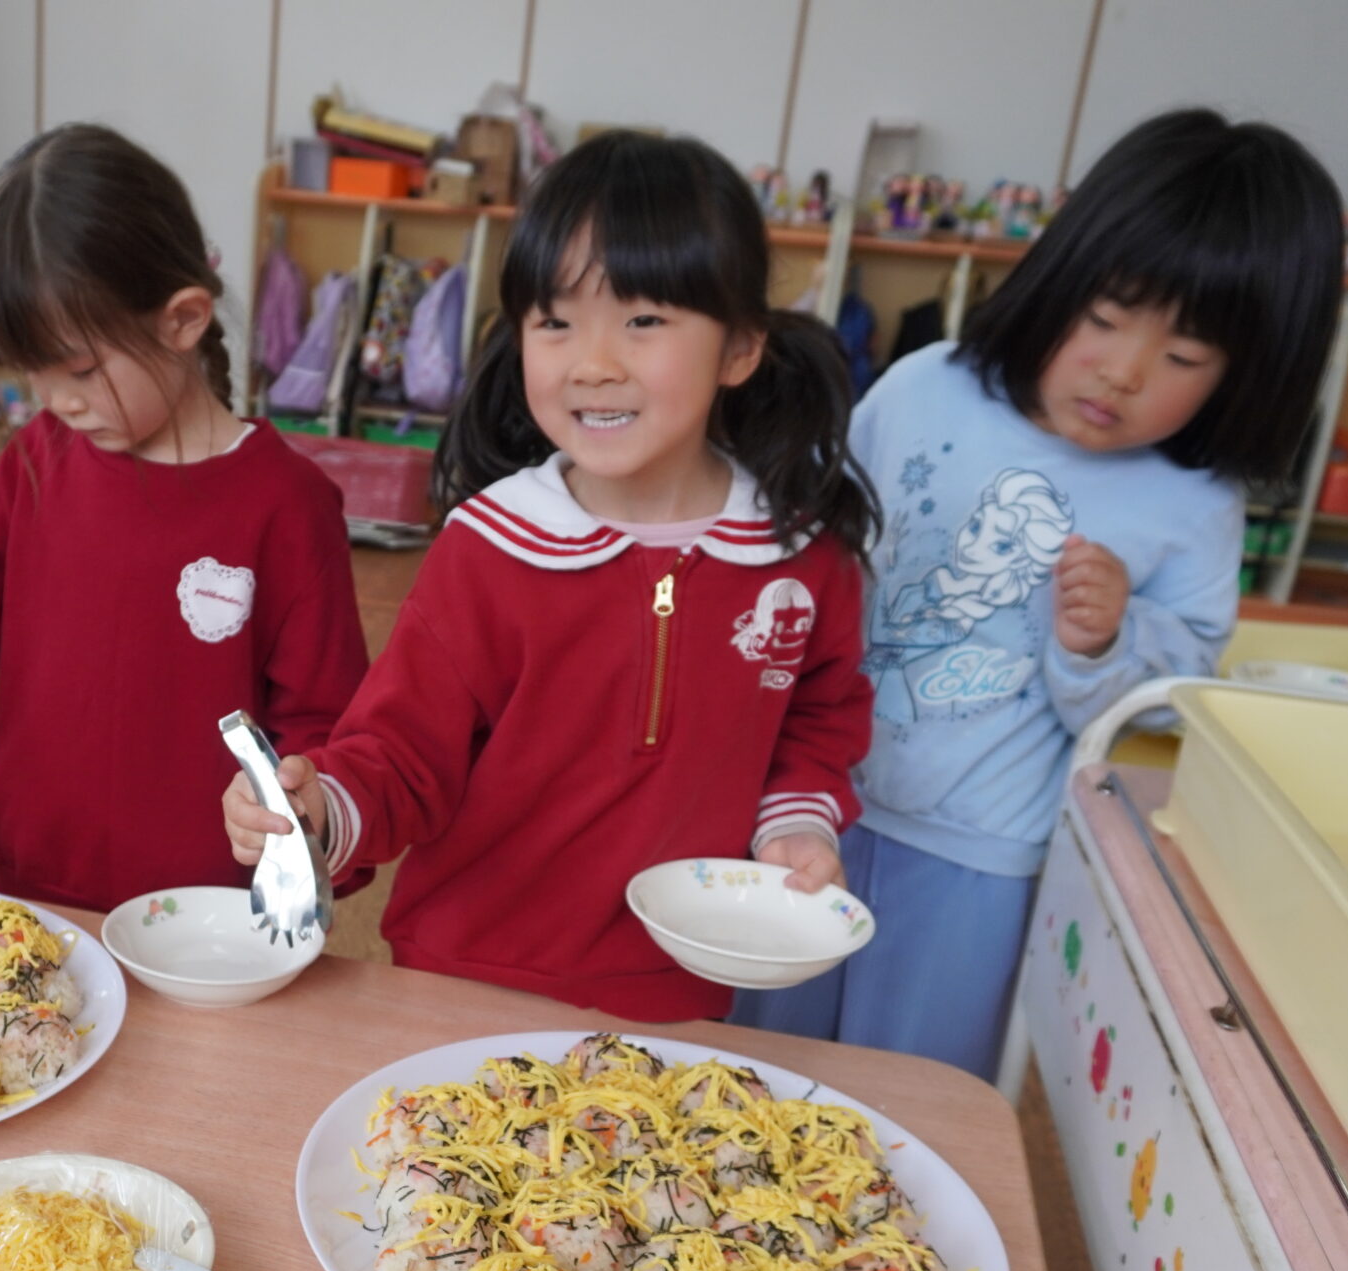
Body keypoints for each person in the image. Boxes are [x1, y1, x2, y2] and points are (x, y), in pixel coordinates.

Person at [736, 108, 1345, 1076]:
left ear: (1247, 375)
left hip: (979, 850)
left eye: (1183, 357)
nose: (1123, 370)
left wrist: (1107, 641)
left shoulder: (1193, 501)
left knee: (917, 1093)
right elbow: (809, 545)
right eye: (1103, 316)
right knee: (751, 1057)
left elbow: (1165, 699)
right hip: (809, 801)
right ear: (1057, 279)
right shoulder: (926, 386)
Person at [224, 130, 875, 1022]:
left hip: (675, 991)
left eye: (643, 321)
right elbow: (402, 754)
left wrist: (796, 822)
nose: (593, 363)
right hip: (459, 978)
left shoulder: (799, 556)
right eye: (556, 321)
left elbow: (817, 716)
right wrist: (318, 810)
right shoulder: (490, 548)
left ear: (738, 348)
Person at [0, 124, 365, 912]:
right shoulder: (39, 459)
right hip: (35, 902)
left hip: (212, 923)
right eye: (33, 373)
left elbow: (326, 725)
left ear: (183, 320)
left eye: (82, 369)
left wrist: (306, 803)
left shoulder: (287, 505)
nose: (56, 400)